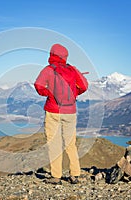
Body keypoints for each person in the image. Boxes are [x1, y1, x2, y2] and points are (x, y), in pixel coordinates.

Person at [34, 43, 88, 185]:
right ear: (65, 57)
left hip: (53, 111)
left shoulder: (48, 70)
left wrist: (50, 94)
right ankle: (75, 175)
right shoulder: (72, 69)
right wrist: (74, 93)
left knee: (54, 143)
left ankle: (56, 176)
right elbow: (84, 86)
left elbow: (38, 86)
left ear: (52, 55)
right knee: (70, 143)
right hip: (71, 111)